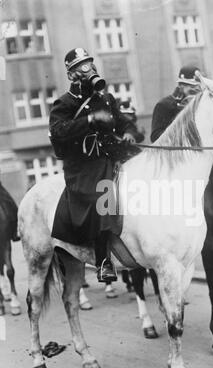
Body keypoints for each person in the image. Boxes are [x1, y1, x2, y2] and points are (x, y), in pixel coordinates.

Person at [49, 48, 138, 283]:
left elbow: (123, 121)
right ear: (72, 75)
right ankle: (103, 261)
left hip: (109, 157)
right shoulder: (64, 103)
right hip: (83, 166)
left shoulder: (105, 99)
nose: (90, 69)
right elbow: (58, 132)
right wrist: (88, 120)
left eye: (90, 63)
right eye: (82, 66)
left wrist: (128, 132)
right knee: (103, 191)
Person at [151, 65, 202, 142]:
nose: (196, 89)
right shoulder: (164, 105)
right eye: (191, 86)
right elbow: (155, 137)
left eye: (198, 86)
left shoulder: (201, 104)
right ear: (181, 86)